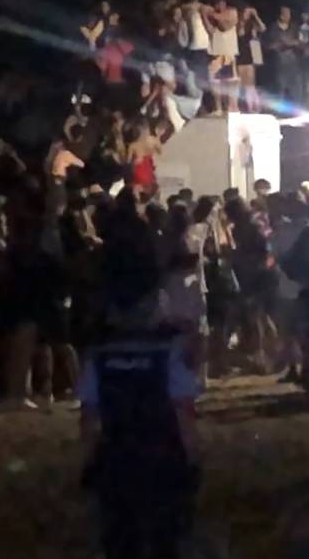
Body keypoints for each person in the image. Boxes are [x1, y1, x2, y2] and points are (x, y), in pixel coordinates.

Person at [79, 214, 200, 559]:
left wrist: (89, 462)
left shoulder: (100, 355)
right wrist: (193, 461)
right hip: (164, 459)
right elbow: (184, 414)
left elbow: (89, 418)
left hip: (117, 460)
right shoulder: (169, 351)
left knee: (121, 540)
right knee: (166, 541)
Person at [266, 6, 306, 110]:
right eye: (285, 14)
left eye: (288, 14)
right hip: (279, 63)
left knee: (297, 87)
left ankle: (298, 109)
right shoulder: (273, 28)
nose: (287, 16)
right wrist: (279, 44)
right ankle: (280, 110)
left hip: (294, 62)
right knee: (280, 88)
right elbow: (268, 45)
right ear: (280, 15)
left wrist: (293, 43)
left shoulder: (295, 28)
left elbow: (301, 43)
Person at [205, 0, 241, 114]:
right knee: (215, 82)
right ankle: (218, 108)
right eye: (216, 3)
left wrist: (211, 14)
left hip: (228, 53)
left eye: (220, 3)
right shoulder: (213, 17)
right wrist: (204, 16)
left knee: (231, 82)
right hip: (215, 52)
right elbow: (210, 30)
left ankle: (233, 107)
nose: (218, 5)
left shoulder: (232, 12)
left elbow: (225, 26)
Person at [235, 5, 266, 113]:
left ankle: (254, 106)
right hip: (241, 54)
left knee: (251, 84)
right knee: (243, 83)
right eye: (245, 12)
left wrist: (255, 15)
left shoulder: (253, 25)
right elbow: (240, 33)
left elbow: (262, 28)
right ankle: (249, 106)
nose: (247, 14)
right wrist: (242, 21)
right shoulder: (238, 23)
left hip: (251, 54)